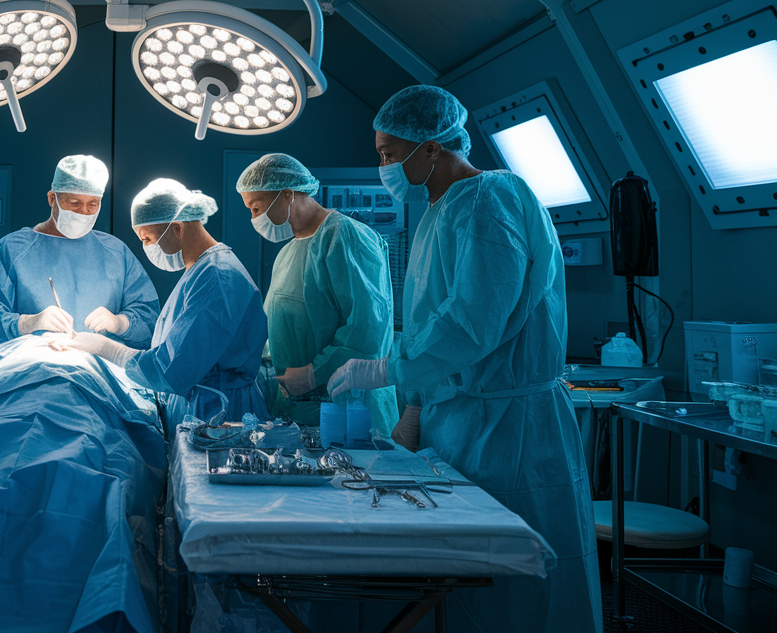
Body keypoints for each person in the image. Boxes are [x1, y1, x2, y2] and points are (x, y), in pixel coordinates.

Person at [326, 85, 602, 632]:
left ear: (431, 147)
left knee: (514, 589)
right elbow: (438, 320)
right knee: (462, 583)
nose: (382, 165)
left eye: (388, 153)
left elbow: (473, 319)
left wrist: (387, 369)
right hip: (463, 420)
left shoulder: (489, 200)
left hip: (510, 429)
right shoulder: (437, 211)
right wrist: (414, 408)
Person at [71, 179, 268, 423]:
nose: (146, 247)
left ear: (177, 228)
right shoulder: (199, 270)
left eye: (147, 239)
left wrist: (107, 348)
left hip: (220, 416)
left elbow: (173, 369)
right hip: (202, 406)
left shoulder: (217, 276)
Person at [236, 153, 399, 435]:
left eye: (256, 207)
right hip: (299, 409)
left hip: (348, 407)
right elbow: (284, 327)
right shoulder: (287, 252)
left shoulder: (345, 237)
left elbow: (368, 331)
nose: (254, 218)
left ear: (287, 194)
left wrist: (314, 374)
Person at [0, 154, 159, 347]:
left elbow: (150, 321)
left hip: (99, 373)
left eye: (93, 204)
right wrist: (26, 323)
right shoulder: (12, 251)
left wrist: (121, 323)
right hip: (34, 373)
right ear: (52, 199)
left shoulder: (116, 252)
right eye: (74, 203)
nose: (83, 212)